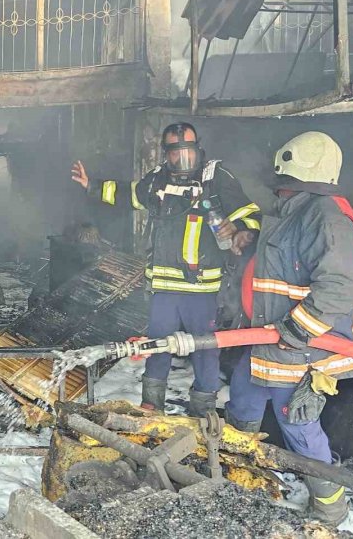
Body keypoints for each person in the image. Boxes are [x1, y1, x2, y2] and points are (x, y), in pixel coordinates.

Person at [225, 131, 353, 526]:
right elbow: (292, 258)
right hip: (272, 341)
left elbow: (341, 286)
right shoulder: (299, 207)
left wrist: (295, 329)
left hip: (300, 346)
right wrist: (252, 235)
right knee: (243, 395)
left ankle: (330, 506)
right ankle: (238, 469)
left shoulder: (325, 215)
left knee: (297, 425)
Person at [71, 122, 260, 416]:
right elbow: (130, 194)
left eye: (188, 151)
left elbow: (248, 213)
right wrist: (92, 186)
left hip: (202, 289)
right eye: (175, 153)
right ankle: (151, 406)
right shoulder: (157, 181)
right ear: (166, 154)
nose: (182, 159)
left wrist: (241, 231)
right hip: (163, 287)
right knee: (156, 347)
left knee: (205, 349)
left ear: (198, 149)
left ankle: (204, 413)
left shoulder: (216, 179)